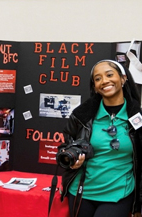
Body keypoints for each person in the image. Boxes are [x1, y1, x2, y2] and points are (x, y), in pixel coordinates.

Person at [58, 59, 142, 217]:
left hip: (119, 194)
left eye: (109, 75)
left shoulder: (138, 118)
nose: (104, 81)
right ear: (95, 87)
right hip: (81, 192)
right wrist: (72, 162)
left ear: (123, 79)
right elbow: (64, 147)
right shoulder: (81, 116)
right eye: (97, 79)